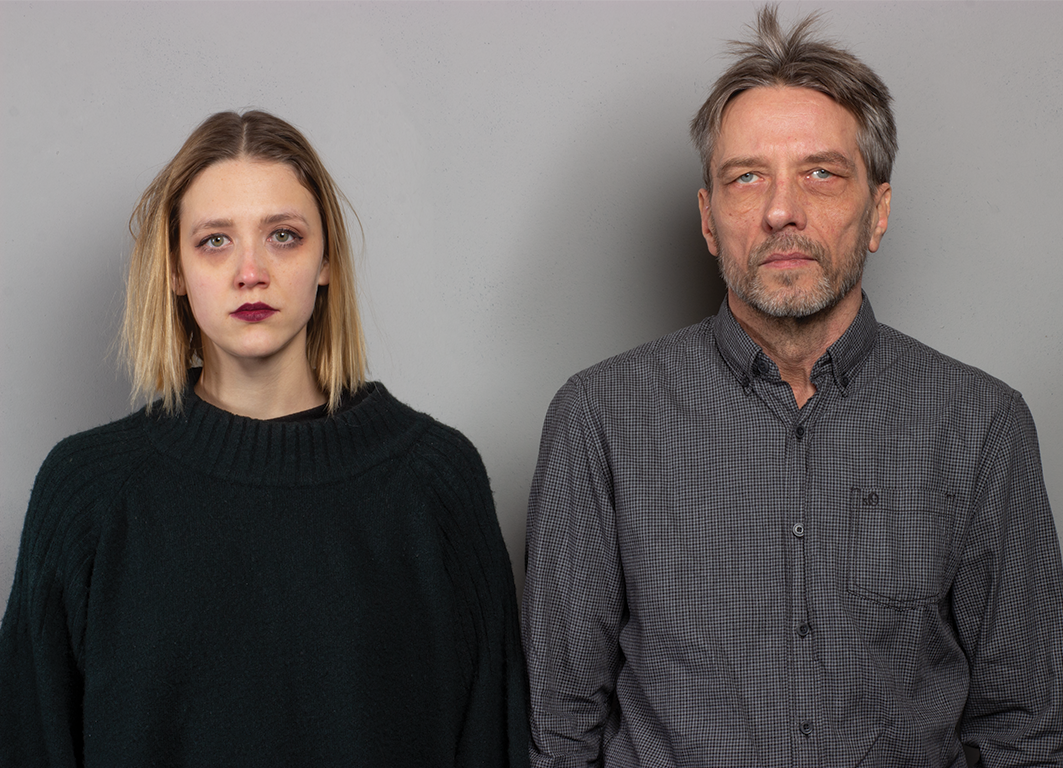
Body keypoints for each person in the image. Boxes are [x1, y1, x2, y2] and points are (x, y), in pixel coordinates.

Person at [521, 7, 1062, 767]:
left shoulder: (980, 424)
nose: (781, 211)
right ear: (709, 220)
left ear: (877, 212)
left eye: (821, 173)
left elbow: (1024, 729)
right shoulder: (599, 418)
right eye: (747, 178)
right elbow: (560, 728)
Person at [0, 110, 528, 767]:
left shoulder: (435, 482)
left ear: (326, 260)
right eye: (214, 241)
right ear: (174, 270)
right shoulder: (88, 494)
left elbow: (491, 744)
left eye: (283, 235)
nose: (250, 271)